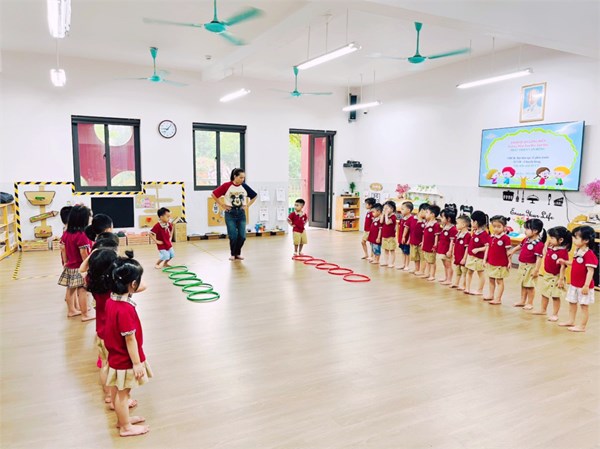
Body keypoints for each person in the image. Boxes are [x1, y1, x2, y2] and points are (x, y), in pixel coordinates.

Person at [104, 255, 152, 437]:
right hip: (125, 359)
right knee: (123, 394)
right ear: (133, 284)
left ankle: (123, 420)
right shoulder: (125, 309)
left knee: (118, 391)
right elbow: (130, 339)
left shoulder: (111, 300)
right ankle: (125, 427)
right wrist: (137, 363)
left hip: (115, 355)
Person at [58, 204, 95, 321]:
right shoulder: (82, 235)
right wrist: (88, 266)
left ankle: (71, 310)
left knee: (70, 289)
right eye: (89, 216)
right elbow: (83, 253)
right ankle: (85, 314)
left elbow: (63, 249)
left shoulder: (66, 233)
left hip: (70, 266)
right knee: (83, 290)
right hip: (80, 267)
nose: (91, 219)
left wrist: (65, 262)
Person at [558, 226, 598, 332]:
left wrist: (586, 285)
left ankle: (582, 326)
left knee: (584, 306)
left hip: (583, 286)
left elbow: (590, 271)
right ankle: (571, 320)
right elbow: (575, 263)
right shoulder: (578, 251)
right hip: (574, 284)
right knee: (572, 303)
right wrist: (565, 262)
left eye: (576, 238)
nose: (573, 240)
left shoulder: (589, 254)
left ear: (586, 240)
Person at [211, 168, 257, 261]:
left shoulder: (244, 186)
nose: (242, 179)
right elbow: (213, 194)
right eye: (241, 177)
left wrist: (247, 205)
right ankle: (233, 254)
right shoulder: (226, 186)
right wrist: (222, 205)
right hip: (230, 214)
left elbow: (254, 196)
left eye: (243, 178)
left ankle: (237, 253)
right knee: (233, 236)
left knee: (242, 236)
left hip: (241, 214)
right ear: (235, 176)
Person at [532, 226, 571, 321]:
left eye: (552, 238)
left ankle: (555, 314)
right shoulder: (551, 247)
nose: (550, 240)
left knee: (555, 296)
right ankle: (543, 310)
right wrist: (546, 244)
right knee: (544, 293)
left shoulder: (562, 252)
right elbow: (544, 250)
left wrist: (561, 279)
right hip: (547, 275)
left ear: (560, 240)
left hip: (556, 277)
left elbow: (563, 266)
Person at [509, 218, 545, 309]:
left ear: (535, 231)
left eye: (527, 229)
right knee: (523, 284)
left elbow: (539, 258)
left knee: (530, 286)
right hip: (522, 265)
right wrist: (512, 251)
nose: (525, 231)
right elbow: (519, 246)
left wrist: (536, 270)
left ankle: (530, 303)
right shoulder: (526, 239)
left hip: (531, 267)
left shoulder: (539, 244)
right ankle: (522, 301)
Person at [484, 215, 512, 305]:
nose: (496, 229)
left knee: (499, 281)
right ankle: (491, 295)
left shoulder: (506, 238)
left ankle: (498, 298)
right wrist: (485, 259)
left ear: (504, 227)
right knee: (491, 279)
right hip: (491, 262)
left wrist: (509, 262)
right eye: (494, 226)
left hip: (501, 264)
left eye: (499, 226)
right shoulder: (491, 237)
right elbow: (487, 249)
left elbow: (508, 252)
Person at [465, 210, 490, 296]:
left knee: (480, 273)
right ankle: (467, 288)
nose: (471, 223)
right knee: (469, 272)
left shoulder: (484, 234)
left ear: (476, 222)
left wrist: (478, 249)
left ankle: (480, 290)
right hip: (471, 256)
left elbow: (487, 246)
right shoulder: (475, 231)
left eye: (472, 221)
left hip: (479, 258)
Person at [420, 204, 441, 281]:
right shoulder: (426, 223)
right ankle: (427, 273)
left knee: (432, 261)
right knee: (427, 260)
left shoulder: (436, 225)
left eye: (427, 212)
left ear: (432, 214)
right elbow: (424, 234)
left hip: (431, 246)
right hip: (425, 245)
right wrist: (422, 242)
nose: (425, 214)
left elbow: (436, 236)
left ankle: (432, 275)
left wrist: (435, 245)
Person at [437, 208, 457, 285]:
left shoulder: (453, 229)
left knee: (448, 265)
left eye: (442, 217)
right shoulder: (444, 227)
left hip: (447, 250)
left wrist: (450, 250)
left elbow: (452, 241)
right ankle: (446, 277)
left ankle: (449, 279)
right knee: (445, 264)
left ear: (448, 219)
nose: (440, 218)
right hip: (442, 248)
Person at [451, 215, 471, 290]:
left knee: (464, 272)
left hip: (463, 257)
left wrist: (464, 258)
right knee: (458, 271)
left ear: (463, 225)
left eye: (457, 223)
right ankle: (456, 283)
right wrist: (454, 253)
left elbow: (467, 248)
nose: (456, 225)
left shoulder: (467, 235)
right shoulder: (458, 234)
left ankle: (464, 285)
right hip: (457, 256)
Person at [408, 203, 428, 275]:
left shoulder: (426, 222)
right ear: (422, 210)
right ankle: (416, 268)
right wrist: (409, 239)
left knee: (422, 257)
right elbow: (410, 230)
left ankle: (422, 270)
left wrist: (424, 242)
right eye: (426, 212)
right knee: (415, 257)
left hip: (421, 243)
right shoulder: (413, 219)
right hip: (413, 241)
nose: (427, 214)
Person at [379, 201, 397, 268]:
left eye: (387, 208)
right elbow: (381, 221)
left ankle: (392, 263)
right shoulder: (385, 216)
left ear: (392, 209)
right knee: (386, 249)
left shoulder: (393, 216)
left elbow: (387, 223)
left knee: (392, 250)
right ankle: (386, 262)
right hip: (384, 235)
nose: (385, 210)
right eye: (384, 208)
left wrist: (386, 215)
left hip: (391, 236)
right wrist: (383, 214)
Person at [397, 201, 413, 270]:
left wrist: (409, 239)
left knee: (407, 252)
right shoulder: (403, 218)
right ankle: (403, 264)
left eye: (403, 209)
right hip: (402, 239)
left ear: (408, 210)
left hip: (407, 240)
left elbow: (411, 231)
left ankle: (407, 265)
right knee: (403, 251)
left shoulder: (411, 219)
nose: (401, 210)